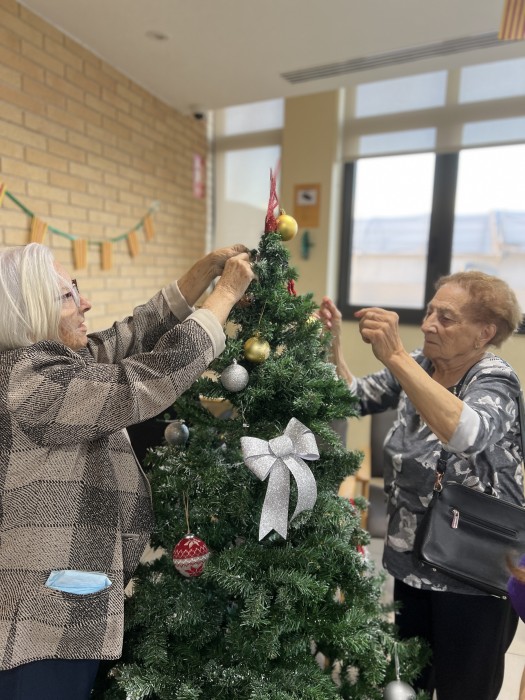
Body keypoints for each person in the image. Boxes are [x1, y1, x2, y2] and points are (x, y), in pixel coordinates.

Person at [0, 241, 254, 700]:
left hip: (57, 611)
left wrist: (200, 276)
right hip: (40, 626)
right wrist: (225, 296)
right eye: (67, 296)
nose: (85, 303)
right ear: (30, 309)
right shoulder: (32, 381)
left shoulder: (49, 365)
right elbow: (144, 381)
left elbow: (126, 339)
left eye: (76, 287)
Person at [318, 270, 524, 700]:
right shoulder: (421, 364)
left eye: (446, 318)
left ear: (484, 332)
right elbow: (352, 397)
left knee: (464, 689)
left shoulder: (495, 379)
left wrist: (395, 356)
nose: (429, 324)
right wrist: (334, 345)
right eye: (430, 311)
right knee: (407, 683)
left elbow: (466, 433)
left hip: (472, 573)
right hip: (412, 560)